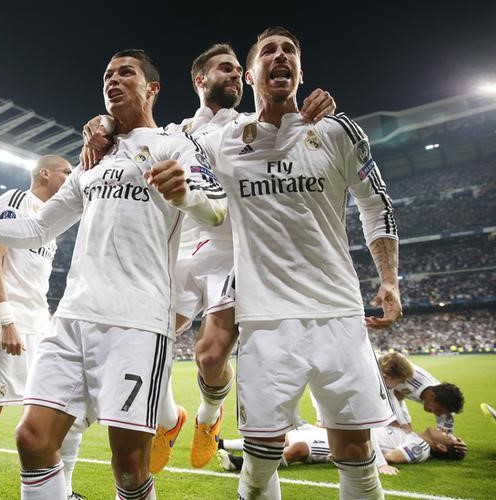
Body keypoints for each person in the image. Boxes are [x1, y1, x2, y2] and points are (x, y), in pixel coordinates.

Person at [0, 49, 227, 499]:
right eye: (107, 75)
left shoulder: (175, 145)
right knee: (31, 439)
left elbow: (218, 211)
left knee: (129, 465)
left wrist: (187, 196)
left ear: (152, 88)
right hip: (71, 320)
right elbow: (37, 225)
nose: (112, 80)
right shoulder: (93, 161)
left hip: (137, 324)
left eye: (125, 73)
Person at [80, 43, 335, 472]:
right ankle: (167, 419)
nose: (235, 75)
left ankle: (207, 417)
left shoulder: (251, 124)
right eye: (225, 69)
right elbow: (135, 132)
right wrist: (102, 123)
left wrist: (316, 109)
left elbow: (290, 129)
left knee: (211, 356)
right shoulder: (179, 132)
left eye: (239, 70)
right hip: (180, 250)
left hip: (231, 252)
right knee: (143, 339)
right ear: (200, 81)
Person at [198, 26, 402, 499]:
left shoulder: (336, 130)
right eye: (268, 51)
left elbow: (377, 205)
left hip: (339, 313)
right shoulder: (225, 140)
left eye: (289, 51)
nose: (280, 56)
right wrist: (105, 127)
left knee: (355, 453)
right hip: (267, 319)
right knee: (260, 458)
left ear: (300, 71)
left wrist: (389, 281)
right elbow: (163, 142)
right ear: (250, 75)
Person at [0, 155, 89, 500]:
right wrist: (8, 320)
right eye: (66, 172)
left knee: (65, 408)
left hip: (40, 324)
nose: (70, 178)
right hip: (4, 323)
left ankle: (64, 492)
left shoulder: (51, 221)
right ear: (45, 173)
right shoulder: (16, 201)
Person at [217, 423, 467, 474]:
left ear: (442, 449)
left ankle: (240, 465)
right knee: (288, 436)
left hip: (349, 441)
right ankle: (221, 444)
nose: (445, 430)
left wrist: (374, 460)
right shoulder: (411, 430)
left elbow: (392, 456)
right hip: (343, 430)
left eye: (448, 436)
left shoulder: (421, 446)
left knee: (299, 448)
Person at [392, 362, 464, 434]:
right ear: (432, 396)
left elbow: (446, 429)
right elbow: (393, 397)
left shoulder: (438, 396)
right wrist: (404, 423)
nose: (438, 415)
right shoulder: (408, 377)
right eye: (438, 410)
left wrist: (449, 438)